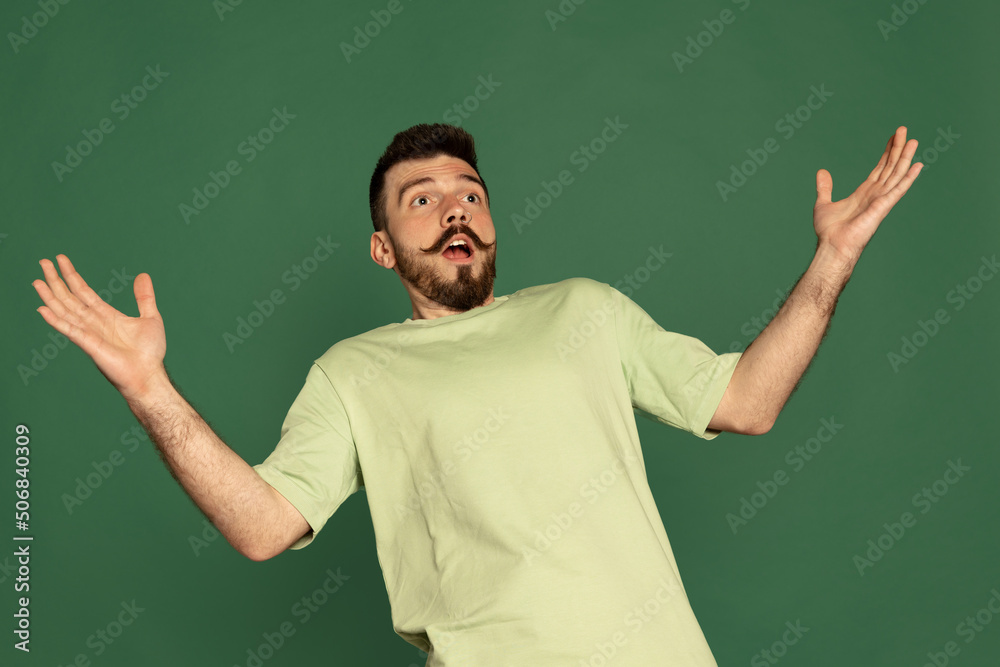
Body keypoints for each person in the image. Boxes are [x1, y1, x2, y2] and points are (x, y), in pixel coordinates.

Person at [31, 122, 923, 665]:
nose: (453, 208)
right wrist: (150, 389)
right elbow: (265, 525)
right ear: (384, 249)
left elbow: (747, 401)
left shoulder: (586, 308)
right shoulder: (355, 369)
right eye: (420, 200)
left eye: (469, 192)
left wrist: (833, 258)